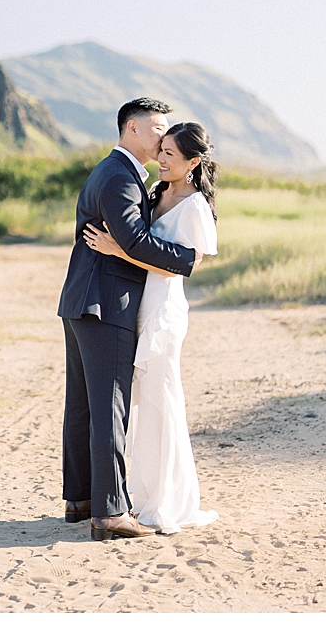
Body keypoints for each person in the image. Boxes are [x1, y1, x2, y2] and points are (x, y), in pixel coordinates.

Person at [57, 98, 202, 540]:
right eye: (159, 128)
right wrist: (187, 259)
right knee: (109, 406)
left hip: (86, 301)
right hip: (107, 304)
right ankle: (109, 512)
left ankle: (81, 499)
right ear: (133, 129)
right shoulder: (119, 176)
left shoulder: (115, 171)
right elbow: (135, 242)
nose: (164, 137)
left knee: (83, 403)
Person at [83, 122, 220, 534]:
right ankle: (142, 497)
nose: (160, 159)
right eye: (160, 150)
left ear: (193, 162)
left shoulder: (195, 206)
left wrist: (118, 250)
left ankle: (168, 502)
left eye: (170, 155)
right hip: (140, 307)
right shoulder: (157, 194)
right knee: (142, 406)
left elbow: (184, 265)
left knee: (162, 402)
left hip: (164, 310)